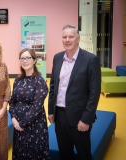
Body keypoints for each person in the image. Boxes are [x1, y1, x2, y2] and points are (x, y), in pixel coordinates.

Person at [48, 24, 101, 160]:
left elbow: (94, 93)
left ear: (78, 39)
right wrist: (51, 111)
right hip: (60, 116)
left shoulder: (91, 60)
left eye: (71, 36)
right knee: (65, 153)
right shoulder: (57, 58)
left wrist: (86, 119)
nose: (67, 40)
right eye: (64, 37)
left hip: (80, 118)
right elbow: (53, 86)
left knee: (84, 154)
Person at [9, 48, 50, 159]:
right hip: (18, 126)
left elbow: (37, 107)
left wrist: (22, 123)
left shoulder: (39, 81)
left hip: (34, 126)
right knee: (21, 153)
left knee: (34, 153)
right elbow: (12, 101)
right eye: (22, 58)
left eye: (28, 58)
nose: (25, 61)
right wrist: (13, 118)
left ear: (34, 60)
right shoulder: (17, 80)